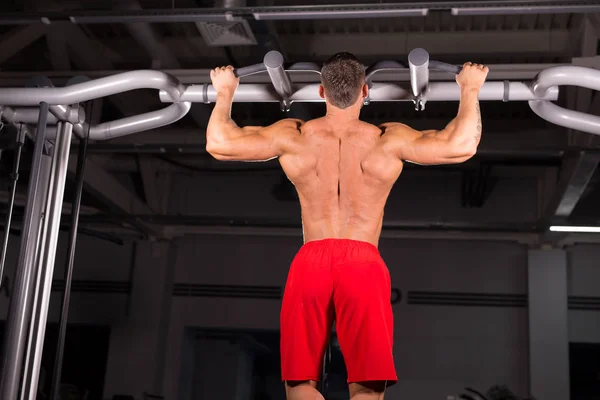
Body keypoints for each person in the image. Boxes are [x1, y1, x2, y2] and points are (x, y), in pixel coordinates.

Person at [207, 52, 489, 400]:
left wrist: (224, 91)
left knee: (299, 383)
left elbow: (219, 144)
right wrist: (470, 88)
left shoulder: (293, 135)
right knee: (368, 388)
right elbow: (461, 146)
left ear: (322, 93)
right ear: (365, 92)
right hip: (363, 263)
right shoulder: (389, 140)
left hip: (311, 261)